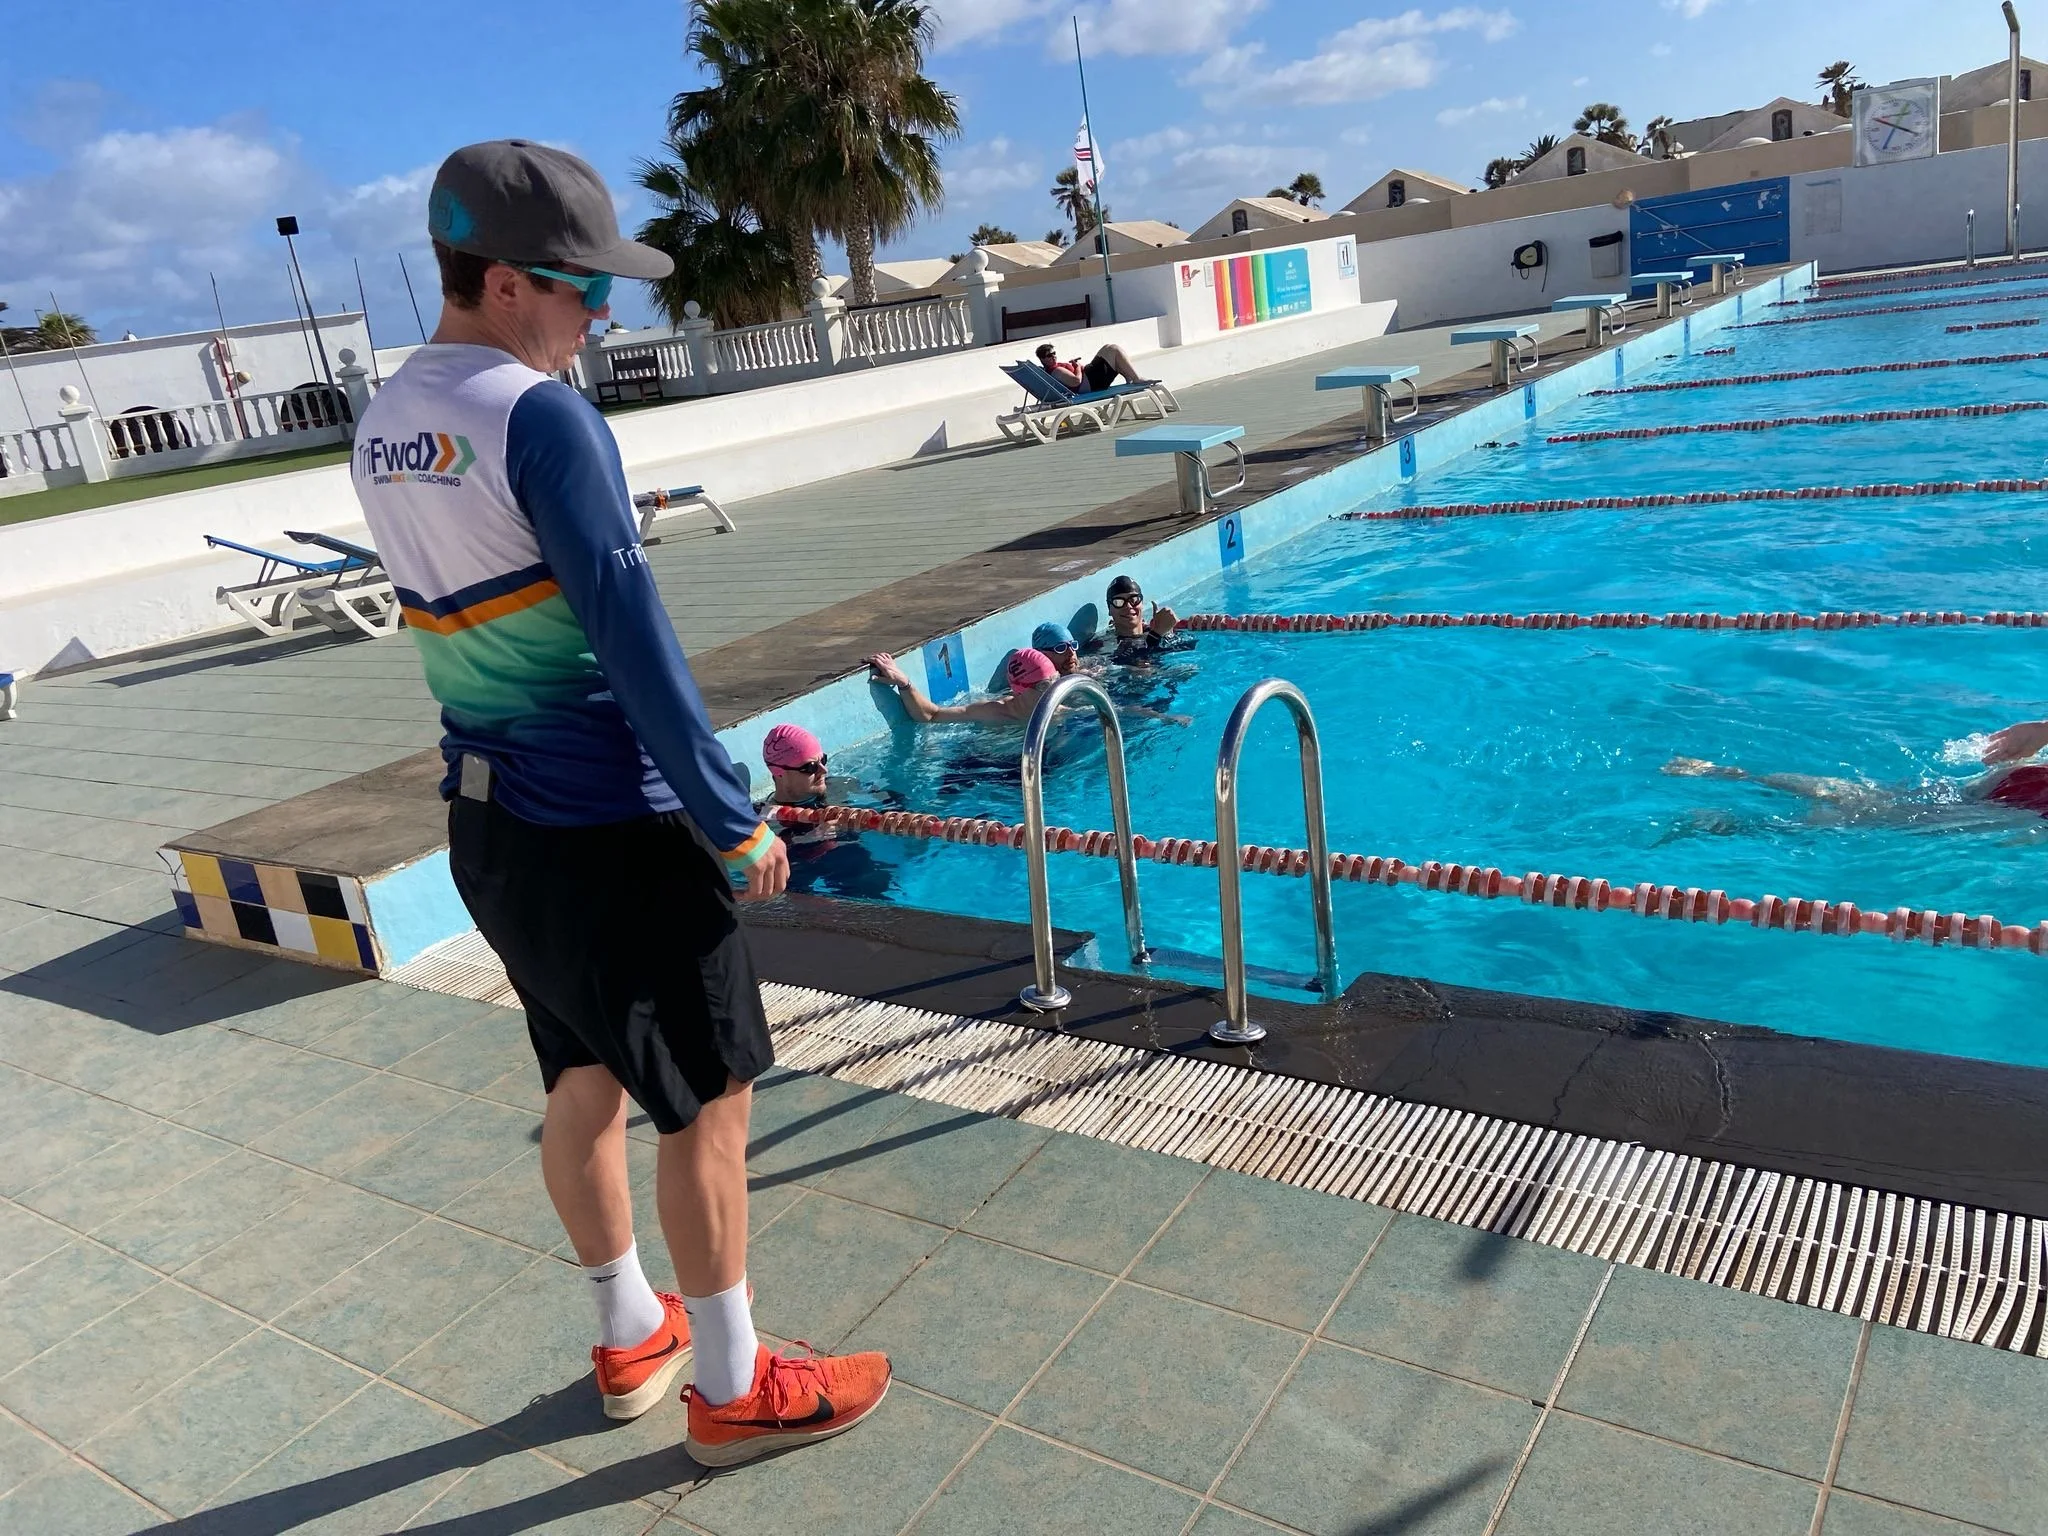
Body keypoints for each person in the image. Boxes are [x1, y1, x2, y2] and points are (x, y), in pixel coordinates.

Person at [348, 139, 887, 1469]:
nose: (603, 316)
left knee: (580, 1079)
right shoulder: (540, 418)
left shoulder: (386, 419)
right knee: (708, 1106)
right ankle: (731, 1382)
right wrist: (727, 811)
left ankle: (629, 1327)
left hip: (491, 827)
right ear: (511, 280)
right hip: (608, 827)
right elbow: (626, 629)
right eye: (586, 290)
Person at [754, 724, 897, 898]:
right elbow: (761, 852)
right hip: (802, 870)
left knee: (871, 879)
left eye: (824, 760)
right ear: (778, 772)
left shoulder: (841, 785)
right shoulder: (766, 816)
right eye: (811, 767)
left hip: (855, 867)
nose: (824, 770)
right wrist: (805, 839)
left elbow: (892, 799)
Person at [866, 646, 1056, 723]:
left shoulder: (1063, 714)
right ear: (1020, 689)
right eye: (1044, 685)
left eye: (1057, 680)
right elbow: (931, 716)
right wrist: (905, 684)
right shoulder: (993, 712)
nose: (1055, 690)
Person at [1093, 573, 1194, 663]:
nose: (1128, 606)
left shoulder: (1155, 630)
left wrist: (1167, 635)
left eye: (1134, 599)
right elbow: (1117, 662)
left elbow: (1189, 649)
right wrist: (1156, 636)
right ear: (1109, 609)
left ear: (1142, 603)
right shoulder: (1105, 644)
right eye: (1118, 602)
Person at [1035, 339, 1146, 395]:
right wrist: (1077, 367)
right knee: (1113, 349)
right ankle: (1135, 378)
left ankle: (1130, 377)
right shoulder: (1056, 370)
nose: (1053, 357)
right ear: (1042, 359)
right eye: (1049, 356)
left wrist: (1075, 365)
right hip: (1091, 383)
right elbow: (1076, 381)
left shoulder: (1055, 367)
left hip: (1090, 378)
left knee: (1109, 348)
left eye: (1054, 353)